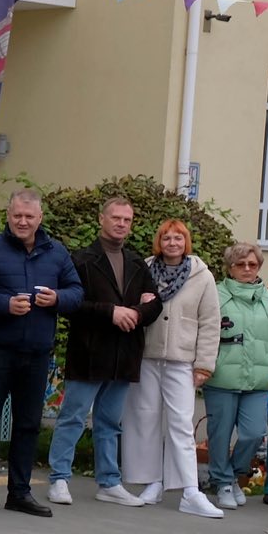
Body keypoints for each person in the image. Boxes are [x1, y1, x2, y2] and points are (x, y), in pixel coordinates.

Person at [0, 189, 81, 517]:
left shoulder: (57, 252)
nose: (22, 222)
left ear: (40, 218)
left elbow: (76, 292)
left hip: (37, 352)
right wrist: (5, 304)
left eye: (29, 216)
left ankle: (20, 492)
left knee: (28, 425)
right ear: (8, 216)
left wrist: (57, 299)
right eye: (17, 216)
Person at [46, 197, 159, 507]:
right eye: (116, 217)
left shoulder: (137, 263)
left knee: (110, 422)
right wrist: (110, 312)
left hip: (124, 354)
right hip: (90, 351)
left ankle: (109, 482)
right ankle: (59, 478)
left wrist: (136, 312)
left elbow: (155, 304)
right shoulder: (81, 260)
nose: (121, 223)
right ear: (101, 219)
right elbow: (69, 304)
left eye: (127, 219)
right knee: (73, 417)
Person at [123, 220, 222, 516]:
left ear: (186, 242)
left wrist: (204, 364)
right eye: (166, 238)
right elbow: (130, 305)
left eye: (178, 238)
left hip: (182, 360)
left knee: (180, 423)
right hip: (147, 356)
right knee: (145, 418)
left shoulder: (201, 275)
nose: (172, 243)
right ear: (159, 242)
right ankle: (152, 482)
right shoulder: (145, 269)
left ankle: (190, 490)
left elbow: (210, 322)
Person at [206, 243, 268, 508]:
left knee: (255, 433)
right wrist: (210, 363)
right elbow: (203, 333)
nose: (247, 269)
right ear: (230, 268)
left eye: (252, 264)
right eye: (240, 264)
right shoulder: (214, 295)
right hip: (221, 378)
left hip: (258, 381)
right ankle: (223, 482)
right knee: (220, 435)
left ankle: (234, 475)